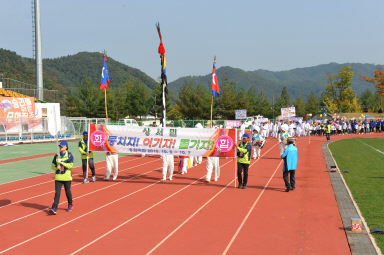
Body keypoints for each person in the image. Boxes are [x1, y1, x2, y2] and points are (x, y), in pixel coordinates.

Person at [48, 141, 74, 215]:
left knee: (67, 191)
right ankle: (54, 208)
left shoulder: (69, 155)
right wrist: (57, 167)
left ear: (66, 147)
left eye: (62, 146)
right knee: (57, 193)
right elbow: (52, 166)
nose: (60, 147)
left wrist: (62, 162)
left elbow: (70, 166)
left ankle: (70, 204)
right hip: (58, 177)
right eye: (60, 146)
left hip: (67, 177)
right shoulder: (57, 155)